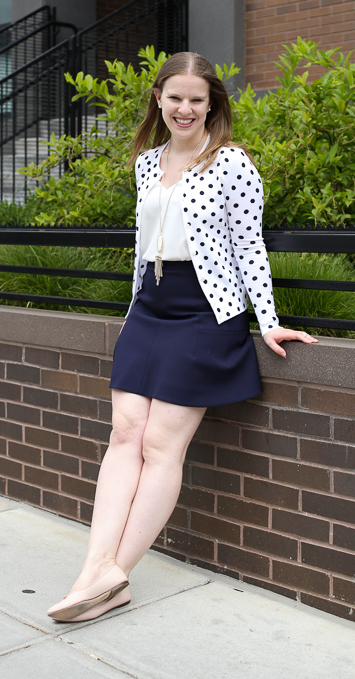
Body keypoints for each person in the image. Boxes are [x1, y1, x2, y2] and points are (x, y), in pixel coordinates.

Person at [47, 52, 318, 622]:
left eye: (197, 99)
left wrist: (267, 320)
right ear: (159, 99)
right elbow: (143, 243)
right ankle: (94, 571)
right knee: (124, 433)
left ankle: (113, 575)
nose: (185, 108)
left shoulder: (232, 162)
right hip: (149, 307)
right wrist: (133, 309)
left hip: (204, 312)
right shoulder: (147, 163)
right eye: (175, 97)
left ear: (212, 103)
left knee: (160, 445)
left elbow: (249, 245)